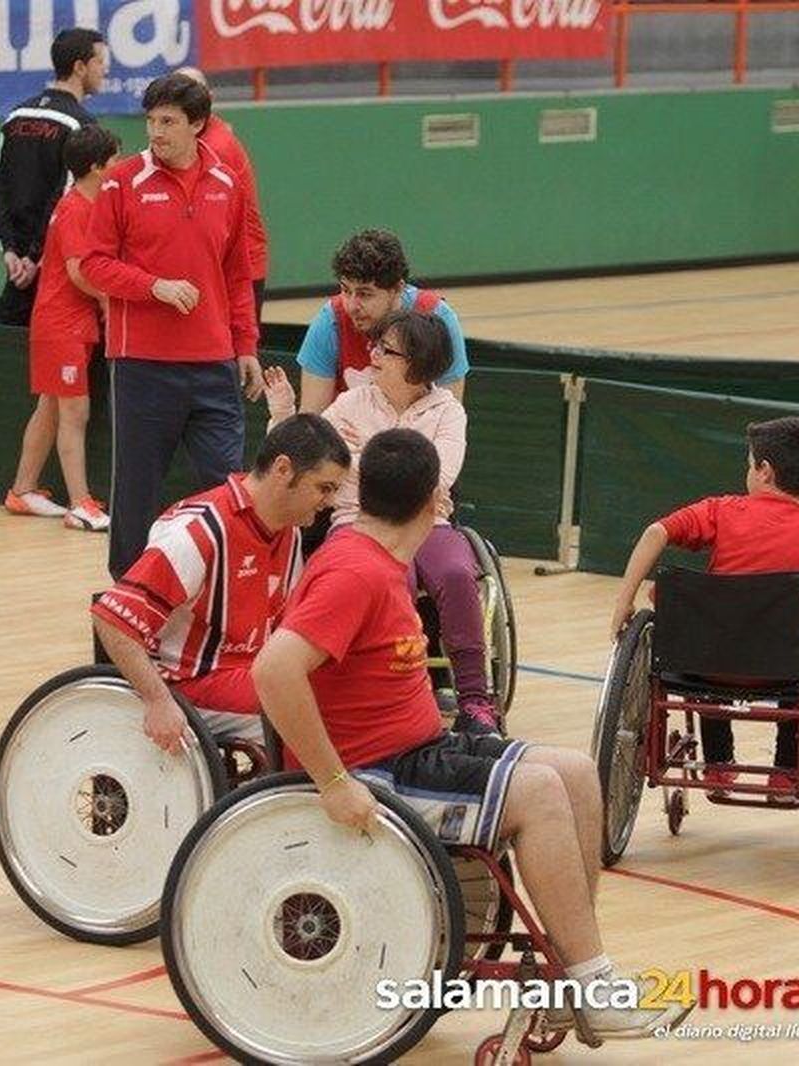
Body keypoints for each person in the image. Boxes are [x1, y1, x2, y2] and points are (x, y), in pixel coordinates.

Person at [252, 427, 693, 1040]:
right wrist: (331, 782)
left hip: (421, 750)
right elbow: (273, 671)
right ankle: (596, 988)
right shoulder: (354, 571)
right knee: (538, 792)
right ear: (438, 500)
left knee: (576, 772)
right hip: (379, 770)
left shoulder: (378, 561)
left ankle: (571, 979)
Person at [608, 416, 799, 794]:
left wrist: (624, 603)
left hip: (703, 665)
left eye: (749, 462)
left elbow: (657, 532)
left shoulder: (722, 511)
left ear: (764, 471)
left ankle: (718, 763)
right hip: (779, 670)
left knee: (703, 637)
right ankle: (786, 768)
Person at [264, 309, 500, 733]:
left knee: (456, 572)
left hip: (426, 523)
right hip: (356, 521)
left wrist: (362, 453)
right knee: (390, 584)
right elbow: (321, 464)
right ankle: (389, 694)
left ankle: (475, 700)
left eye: (385, 350)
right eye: (375, 345)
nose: (371, 354)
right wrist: (396, 464)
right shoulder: (349, 402)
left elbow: (439, 477)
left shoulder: (448, 412)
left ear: (417, 364)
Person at [80, 73, 262, 580]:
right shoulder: (121, 181)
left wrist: (245, 344)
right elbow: (93, 264)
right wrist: (152, 286)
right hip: (142, 367)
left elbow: (237, 273)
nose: (155, 132)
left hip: (214, 367)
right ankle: (125, 598)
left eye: (168, 122)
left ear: (198, 124)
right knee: (136, 490)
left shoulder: (228, 183)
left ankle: (229, 590)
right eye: (150, 120)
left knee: (228, 488)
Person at [93, 415, 348, 750]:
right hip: (189, 682)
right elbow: (111, 619)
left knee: (344, 690)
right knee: (311, 711)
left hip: (249, 673)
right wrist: (157, 701)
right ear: (283, 470)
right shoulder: (198, 532)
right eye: (324, 488)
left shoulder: (289, 532)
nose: (329, 502)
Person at [5, 125, 118, 532]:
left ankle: (22, 490)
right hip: (61, 325)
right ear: (96, 167)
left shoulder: (92, 203)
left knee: (51, 406)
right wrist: (108, 298)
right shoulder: (74, 210)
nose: (120, 166)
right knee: (75, 411)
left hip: (72, 324)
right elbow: (77, 272)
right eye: (114, 160)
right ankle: (81, 504)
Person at [0, 26, 105, 326]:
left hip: (17, 269)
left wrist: (11, 252)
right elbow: (66, 196)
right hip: (54, 272)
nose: (104, 70)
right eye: (99, 62)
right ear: (80, 67)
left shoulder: (15, 116)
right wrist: (33, 257)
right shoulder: (83, 125)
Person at [296, 229, 470, 415]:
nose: (351, 306)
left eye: (365, 294)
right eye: (346, 290)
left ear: (397, 288)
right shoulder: (330, 320)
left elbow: (449, 416)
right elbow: (311, 421)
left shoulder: (437, 318)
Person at [175, 66, 268, 323]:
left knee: (236, 357)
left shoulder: (215, 147)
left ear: (208, 99)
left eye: (191, 94)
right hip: (221, 264)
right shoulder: (196, 136)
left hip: (238, 269)